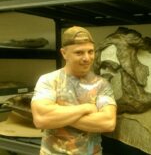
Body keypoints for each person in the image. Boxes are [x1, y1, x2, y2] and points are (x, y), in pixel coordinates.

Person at [31, 26, 117, 155]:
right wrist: (86, 108)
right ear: (64, 53)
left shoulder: (102, 85)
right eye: (79, 52)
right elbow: (41, 119)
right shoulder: (48, 80)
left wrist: (57, 114)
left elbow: (108, 123)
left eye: (90, 51)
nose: (87, 58)